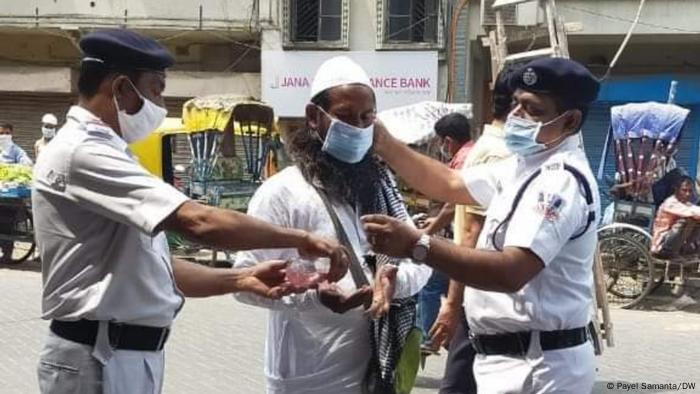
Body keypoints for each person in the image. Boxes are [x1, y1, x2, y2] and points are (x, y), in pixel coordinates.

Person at [33, 29, 348, 394]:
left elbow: (155, 267)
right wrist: (302, 239)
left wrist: (238, 279)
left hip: (120, 354)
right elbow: (199, 221)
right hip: (98, 357)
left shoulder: (110, 151)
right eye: (156, 89)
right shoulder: (82, 151)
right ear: (120, 89)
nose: (160, 104)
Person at [363, 57, 601, 393]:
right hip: (508, 360)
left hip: (538, 367)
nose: (517, 115)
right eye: (517, 104)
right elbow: (449, 183)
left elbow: (510, 271)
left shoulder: (559, 181)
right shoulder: (525, 164)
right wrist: (385, 143)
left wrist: (419, 245)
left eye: (533, 109)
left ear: (570, 121)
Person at [233, 56, 432, 394]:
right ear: (314, 117)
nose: (357, 128)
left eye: (366, 118)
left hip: (377, 372)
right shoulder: (283, 193)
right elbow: (244, 281)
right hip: (306, 375)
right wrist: (311, 296)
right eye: (344, 117)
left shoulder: (380, 186)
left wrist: (391, 281)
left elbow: (420, 257)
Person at [429, 64, 518, 394]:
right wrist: (452, 304)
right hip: (478, 283)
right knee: (460, 379)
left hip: (481, 284)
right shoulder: (495, 153)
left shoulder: (487, 149)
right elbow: (471, 232)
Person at [418, 112, 472, 353]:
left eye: (442, 142)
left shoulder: (463, 159)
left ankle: (430, 338)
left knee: (430, 285)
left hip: (460, 242)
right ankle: (453, 338)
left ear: (448, 140)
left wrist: (429, 230)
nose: (442, 147)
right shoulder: (472, 153)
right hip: (462, 239)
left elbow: (452, 205)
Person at [651, 175, 700, 258]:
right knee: (686, 221)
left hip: (674, 241)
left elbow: (695, 209)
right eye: (684, 190)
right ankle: (670, 251)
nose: (687, 194)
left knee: (696, 221)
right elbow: (693, 212)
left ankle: (687, 248)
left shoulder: (685, 203)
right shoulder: (671, 203)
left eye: (690, 191)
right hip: (661, 244)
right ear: (676, 189)